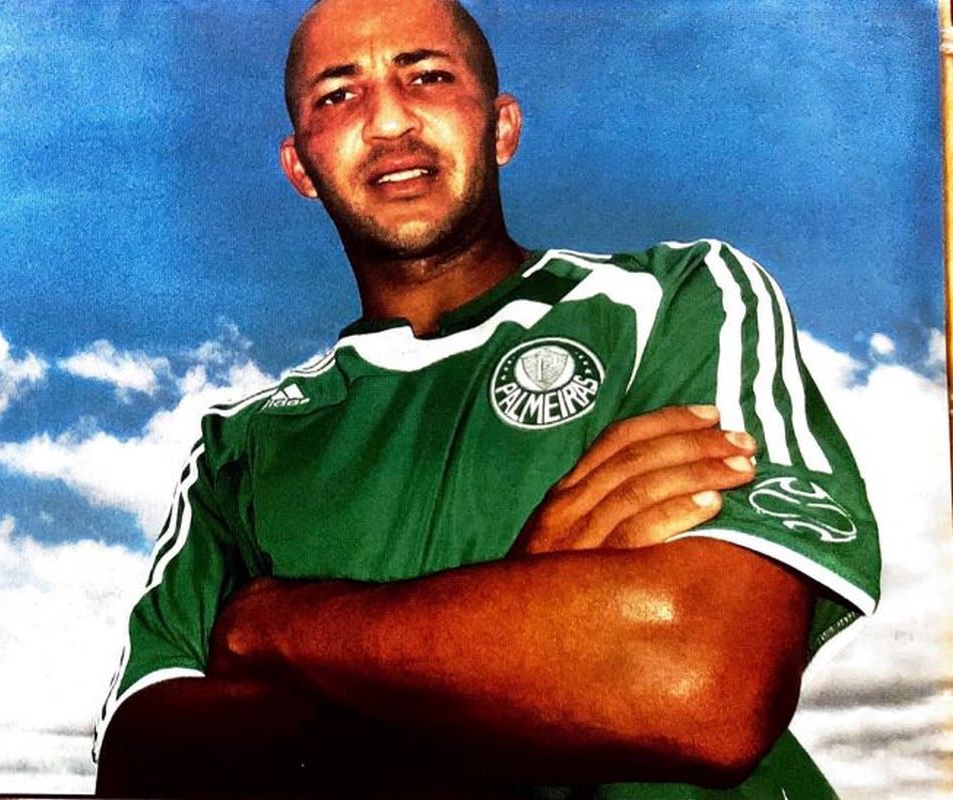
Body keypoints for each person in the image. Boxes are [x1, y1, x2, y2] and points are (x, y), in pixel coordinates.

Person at [93, 0, 880, 796]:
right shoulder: (242, 444)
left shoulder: (673, 299)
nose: (388, 121)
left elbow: (700, 683)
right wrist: (525, 627)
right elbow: (143, 765)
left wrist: (276, 626)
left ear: (501, 128)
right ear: (301, 167)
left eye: (427, 77)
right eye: (338, 95)